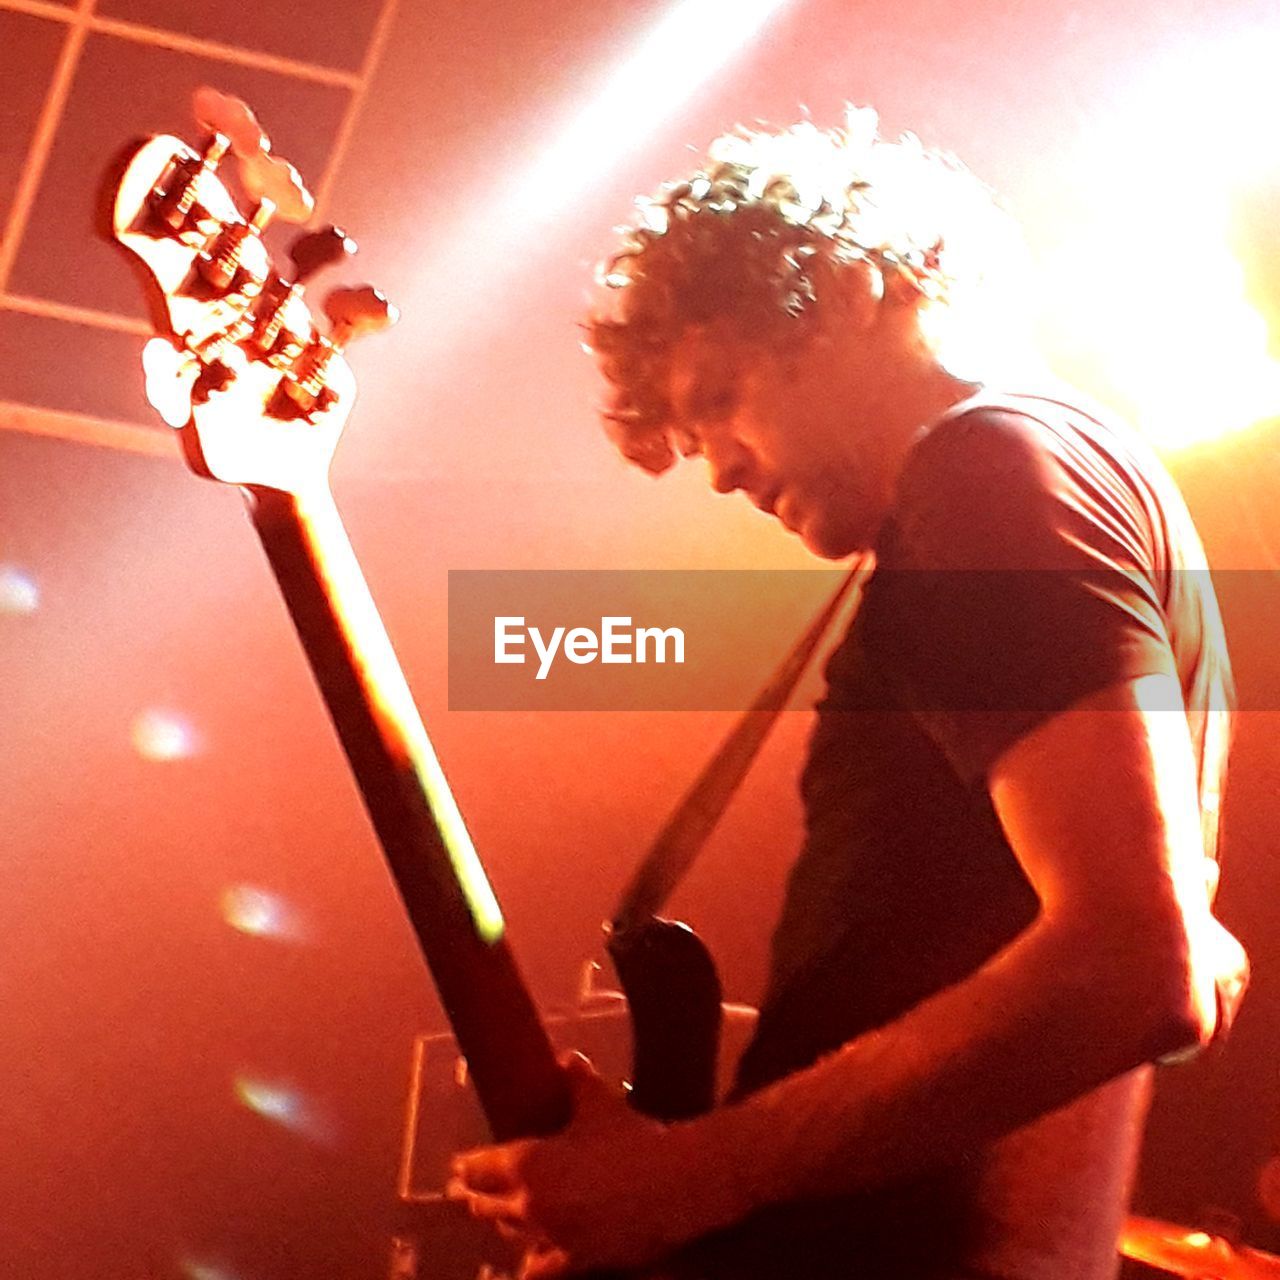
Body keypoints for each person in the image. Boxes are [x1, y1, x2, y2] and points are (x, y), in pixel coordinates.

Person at [446, 109, 1249, 1280]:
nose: (713, 464)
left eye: (716, 395)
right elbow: (1183, 954)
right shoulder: (1057, 480)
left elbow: (1136, 960)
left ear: (842, 284)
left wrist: (686, 1178)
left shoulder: (987, 471)